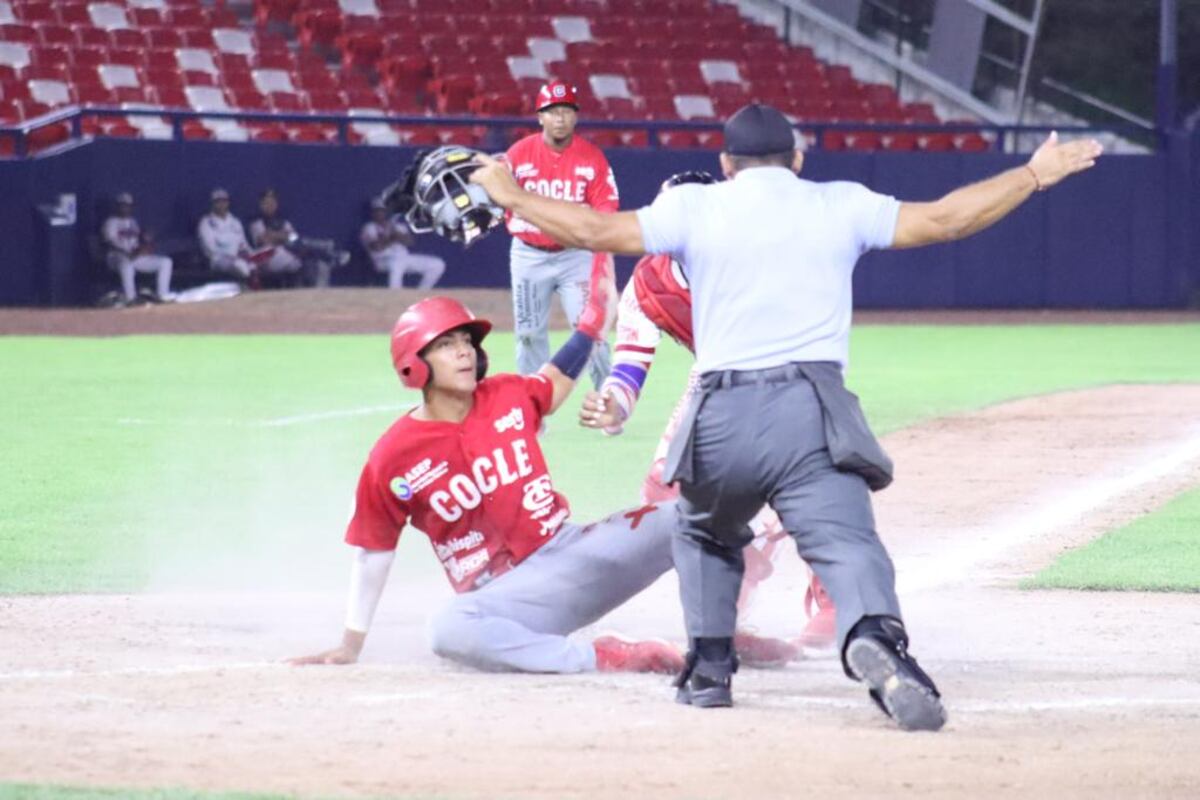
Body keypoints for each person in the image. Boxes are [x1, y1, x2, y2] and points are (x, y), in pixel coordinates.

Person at [468, 103, 1102, 729]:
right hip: (810, 405)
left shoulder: (695, 207)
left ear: (726, 164)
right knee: (845, 538)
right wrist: (1033, 174)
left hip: (718, 407)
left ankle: (710, 665)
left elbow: (593, 232)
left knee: (702, 529)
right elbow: (946, 219)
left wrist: (509, 193)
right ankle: (875, 638)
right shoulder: (839, 202)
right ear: (797, 161)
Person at [289, 259, 686, 675]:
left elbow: (556, 378)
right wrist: (351, 643)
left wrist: (591, 326)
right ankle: (602, 658)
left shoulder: (506, 394)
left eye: (466, 341)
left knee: (688, 518)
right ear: (413, 364)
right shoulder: (393, 455)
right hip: (506, 599)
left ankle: (719, 634)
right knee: (448, 629)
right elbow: (374, 550)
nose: (463, 351)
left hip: (572, 553)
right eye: (445, 344)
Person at [589, 170, 836, 662]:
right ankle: (735, 583)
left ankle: (832, 595)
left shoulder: (759, 261)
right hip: (716, 375)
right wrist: (614, 402)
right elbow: (631, 362)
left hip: (789, 370)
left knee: (801, 478)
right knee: (663, 488)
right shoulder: (649, 282)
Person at [503, 79, 617, 390]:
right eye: (552, 111)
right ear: (540, 116)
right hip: (528, 254)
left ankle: (607, 400)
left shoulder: (591, 157)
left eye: (566, 110)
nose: (560, 118)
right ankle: (531, 407)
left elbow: (607, 206)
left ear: (575, 116)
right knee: (528, 333)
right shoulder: (519, 155)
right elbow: (498, 196)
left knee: (590, 329)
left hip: (575, 256)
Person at [248, 188, 349, 288]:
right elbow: (264, 240)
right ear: (261, 205)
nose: (270, 205)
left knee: (306, 255)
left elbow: (293, 237)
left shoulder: (283, 221)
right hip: (267, 257)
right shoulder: (256, 222)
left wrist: (276, 235)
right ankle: (327, 253)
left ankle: (324, 258)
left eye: (273, 202)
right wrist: (283, 236)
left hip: (287, 252)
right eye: (266, 203)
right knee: (301, 251)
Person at [101, 191, 174, 303]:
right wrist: (128, 253)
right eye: (123, 205)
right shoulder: (111, 222)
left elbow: (139, 241)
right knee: (127, 265)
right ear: (118, 206)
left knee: (166, 262)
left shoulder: (133, 222)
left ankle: (162, 295)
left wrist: (145, 244)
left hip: (135, 255)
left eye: (128, 206)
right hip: (116, 256)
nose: (126, 208)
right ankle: (131, 298)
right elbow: (109, 243)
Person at [360, 198, 446, 289]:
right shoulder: (369, 227)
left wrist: (396, 233)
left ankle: (422, 293)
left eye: (383, 211)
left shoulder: (397, 226)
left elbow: (410, 242)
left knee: (438, 264)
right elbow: (377, 247)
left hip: (404, 258)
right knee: (397, 263)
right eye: (377, 211)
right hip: (382, 260)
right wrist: (392, 237)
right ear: (373, 213)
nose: (380, 214)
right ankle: (396, 295)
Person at [197, 188, 254, 280]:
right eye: (218, 202)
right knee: (240, 266)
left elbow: (244, 244)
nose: (221, 205)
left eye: (224, 201)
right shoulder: (206, 222)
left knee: (253, 264)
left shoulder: (235, 222)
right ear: (213, 204)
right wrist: (232, 256)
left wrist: (249, 255)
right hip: (218, 260)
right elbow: (211, 249)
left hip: (239, 258)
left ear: (228, 203)